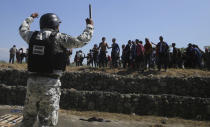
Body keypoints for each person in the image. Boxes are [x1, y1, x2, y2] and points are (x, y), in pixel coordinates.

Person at [19, 12, 94, 127]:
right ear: (55, 24)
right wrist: (89, 27)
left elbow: (22, 29)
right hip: (50, 85)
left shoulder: (32, 36)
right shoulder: (60, 38)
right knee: (47, 122)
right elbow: (80, 41)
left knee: (27, 120)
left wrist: (31, 17)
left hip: (32, 84)